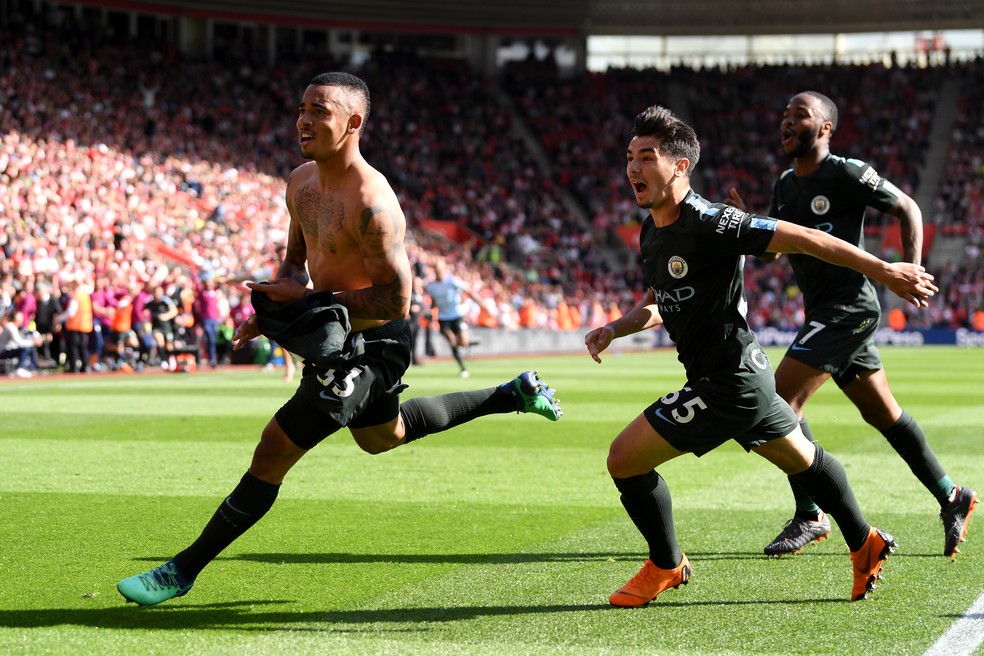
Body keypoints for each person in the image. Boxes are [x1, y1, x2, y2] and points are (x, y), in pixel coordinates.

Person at [116, 71, 564, 606]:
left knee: (274, 447)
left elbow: (395, 301)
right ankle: (511, 393)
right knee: (384, 436)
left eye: (319, 111)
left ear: (352, 123)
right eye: (301, 109)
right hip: (335, 339)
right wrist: (276, 306)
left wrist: (313, 306)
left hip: (376, 345)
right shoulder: (299, 182)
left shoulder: (375, 204)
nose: (304, 120)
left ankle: (182, 570)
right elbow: (295, 261)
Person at [583, 105, 937, 607]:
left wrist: (885, 270)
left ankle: (666, 564)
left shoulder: (712, 221)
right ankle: (866, 542)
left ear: (680, 165)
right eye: (630, 157)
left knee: (623, 460)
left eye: (647, 157)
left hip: (727, 385)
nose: (633, 169)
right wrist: (615, 328)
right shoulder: (651, 231)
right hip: (745, 376)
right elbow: (661, 302)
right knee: (805, 460)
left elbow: (810, 238)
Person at [728, 91, 977, 559]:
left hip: (849, 310)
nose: (786, 121)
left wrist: (912, 268)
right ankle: (952, 496)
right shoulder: (784, 184)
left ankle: (810, 514)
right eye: (783, 115)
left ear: (824, 128)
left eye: (798, 115)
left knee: (777, 402)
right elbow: (777, 250)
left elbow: (908, 207)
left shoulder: (845, 172)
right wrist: (747, 224)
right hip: (822, 311)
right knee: (885, 415)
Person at [425, 259, 478, 377]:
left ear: (444, 270)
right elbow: (434, 302)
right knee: (452, 341)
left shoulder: (452, 281)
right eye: (436, 270)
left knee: (463, 343)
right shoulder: (432, 286)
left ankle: (467, 345)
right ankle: (463, 368)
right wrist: (430, 311)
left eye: (439, 269)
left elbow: (468, 290)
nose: (438, 272)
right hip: (443, 318)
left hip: (456, 316)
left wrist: (480, 302)